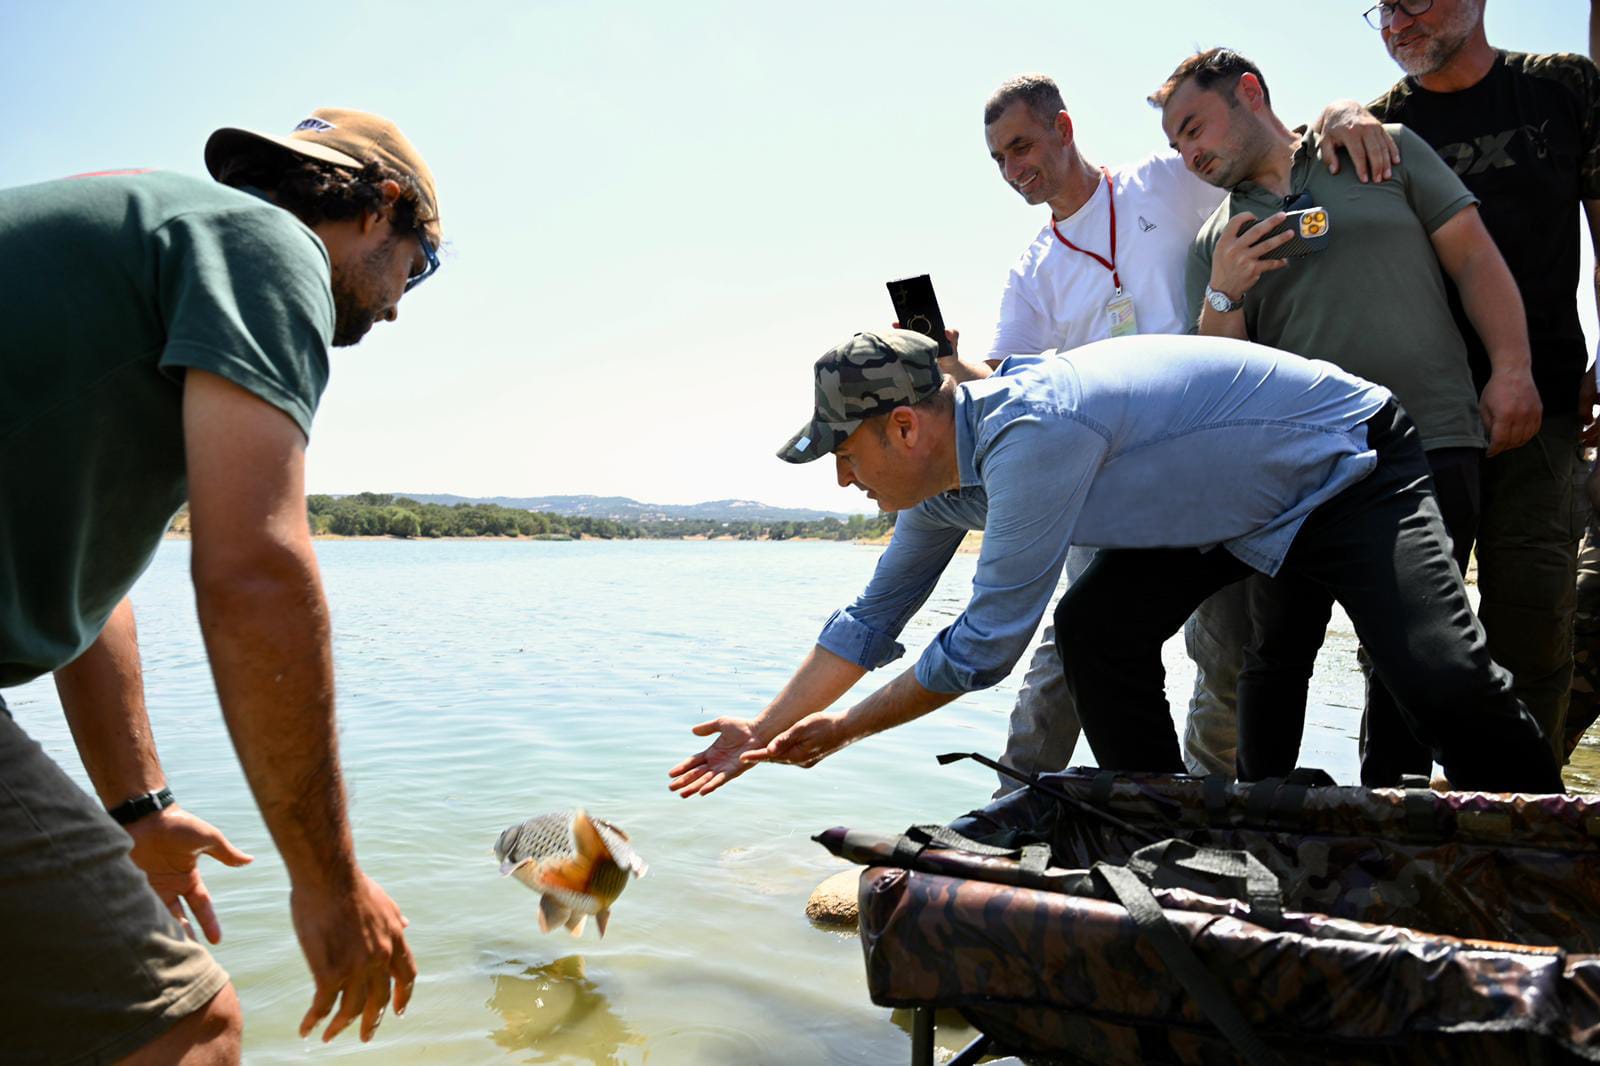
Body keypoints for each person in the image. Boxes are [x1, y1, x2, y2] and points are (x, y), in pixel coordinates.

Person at [665, 329, 1563, 802]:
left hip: (1347, 462)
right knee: (1097, 630)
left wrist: (847, 730)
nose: (841, 475)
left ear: (906, 426)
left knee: (1437, 675)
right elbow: (873, 620)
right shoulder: (939, 483)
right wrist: (763, 727)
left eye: (846, 451)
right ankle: (1166, 833)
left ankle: (1563, 861)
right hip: (1222, 506)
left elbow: (982, 647)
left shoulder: (1031, 434)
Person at [0, 108, 442, 1064]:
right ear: (383, 209)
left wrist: (138, 810)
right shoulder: (264, 243)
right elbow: (256, 568)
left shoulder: (144, 250)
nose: (403, 303)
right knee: (182, 1029)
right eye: (421, 264)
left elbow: (93, 589)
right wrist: (327, 881)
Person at [973, 75, 1399, 788]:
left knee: (1229, 651)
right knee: (1075, 642)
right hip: (1108, 478)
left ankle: (1212, 807)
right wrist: (935, 362)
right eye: (999, 160)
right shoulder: (1034, 269)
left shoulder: (1166, 181)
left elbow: (1269, 150)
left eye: (1021, 146)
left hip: (1214, 462)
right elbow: (1001, 384)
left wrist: (1342, 112)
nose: (1015, 170)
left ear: (1064, 126)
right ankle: (1009, 805)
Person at [1155, 47, 1539, 783]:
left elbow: (1473, 259)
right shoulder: (1213, 243)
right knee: (1277, 655)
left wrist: (1513, 369)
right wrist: (1226, 293)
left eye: (1195, 127)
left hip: (1432, 443)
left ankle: (1390, 829)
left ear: (1249, 92)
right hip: (1296, 480)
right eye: (1176, 145)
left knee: (1411, 656)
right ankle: (1265, 822)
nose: (1190, 153)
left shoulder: (1377, 148)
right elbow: (1220, 383)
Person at [1324, 0, 1600, 767]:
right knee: (1403, 646)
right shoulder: (1373, 126)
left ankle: (1523, 832)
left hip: (1541, 412)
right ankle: (1391, 829)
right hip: (1414, 427)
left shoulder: (1561, 88)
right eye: (1383, 8)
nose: (1397, 21)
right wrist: (1335, 113)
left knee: (1535, 629)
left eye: (1415, 0)